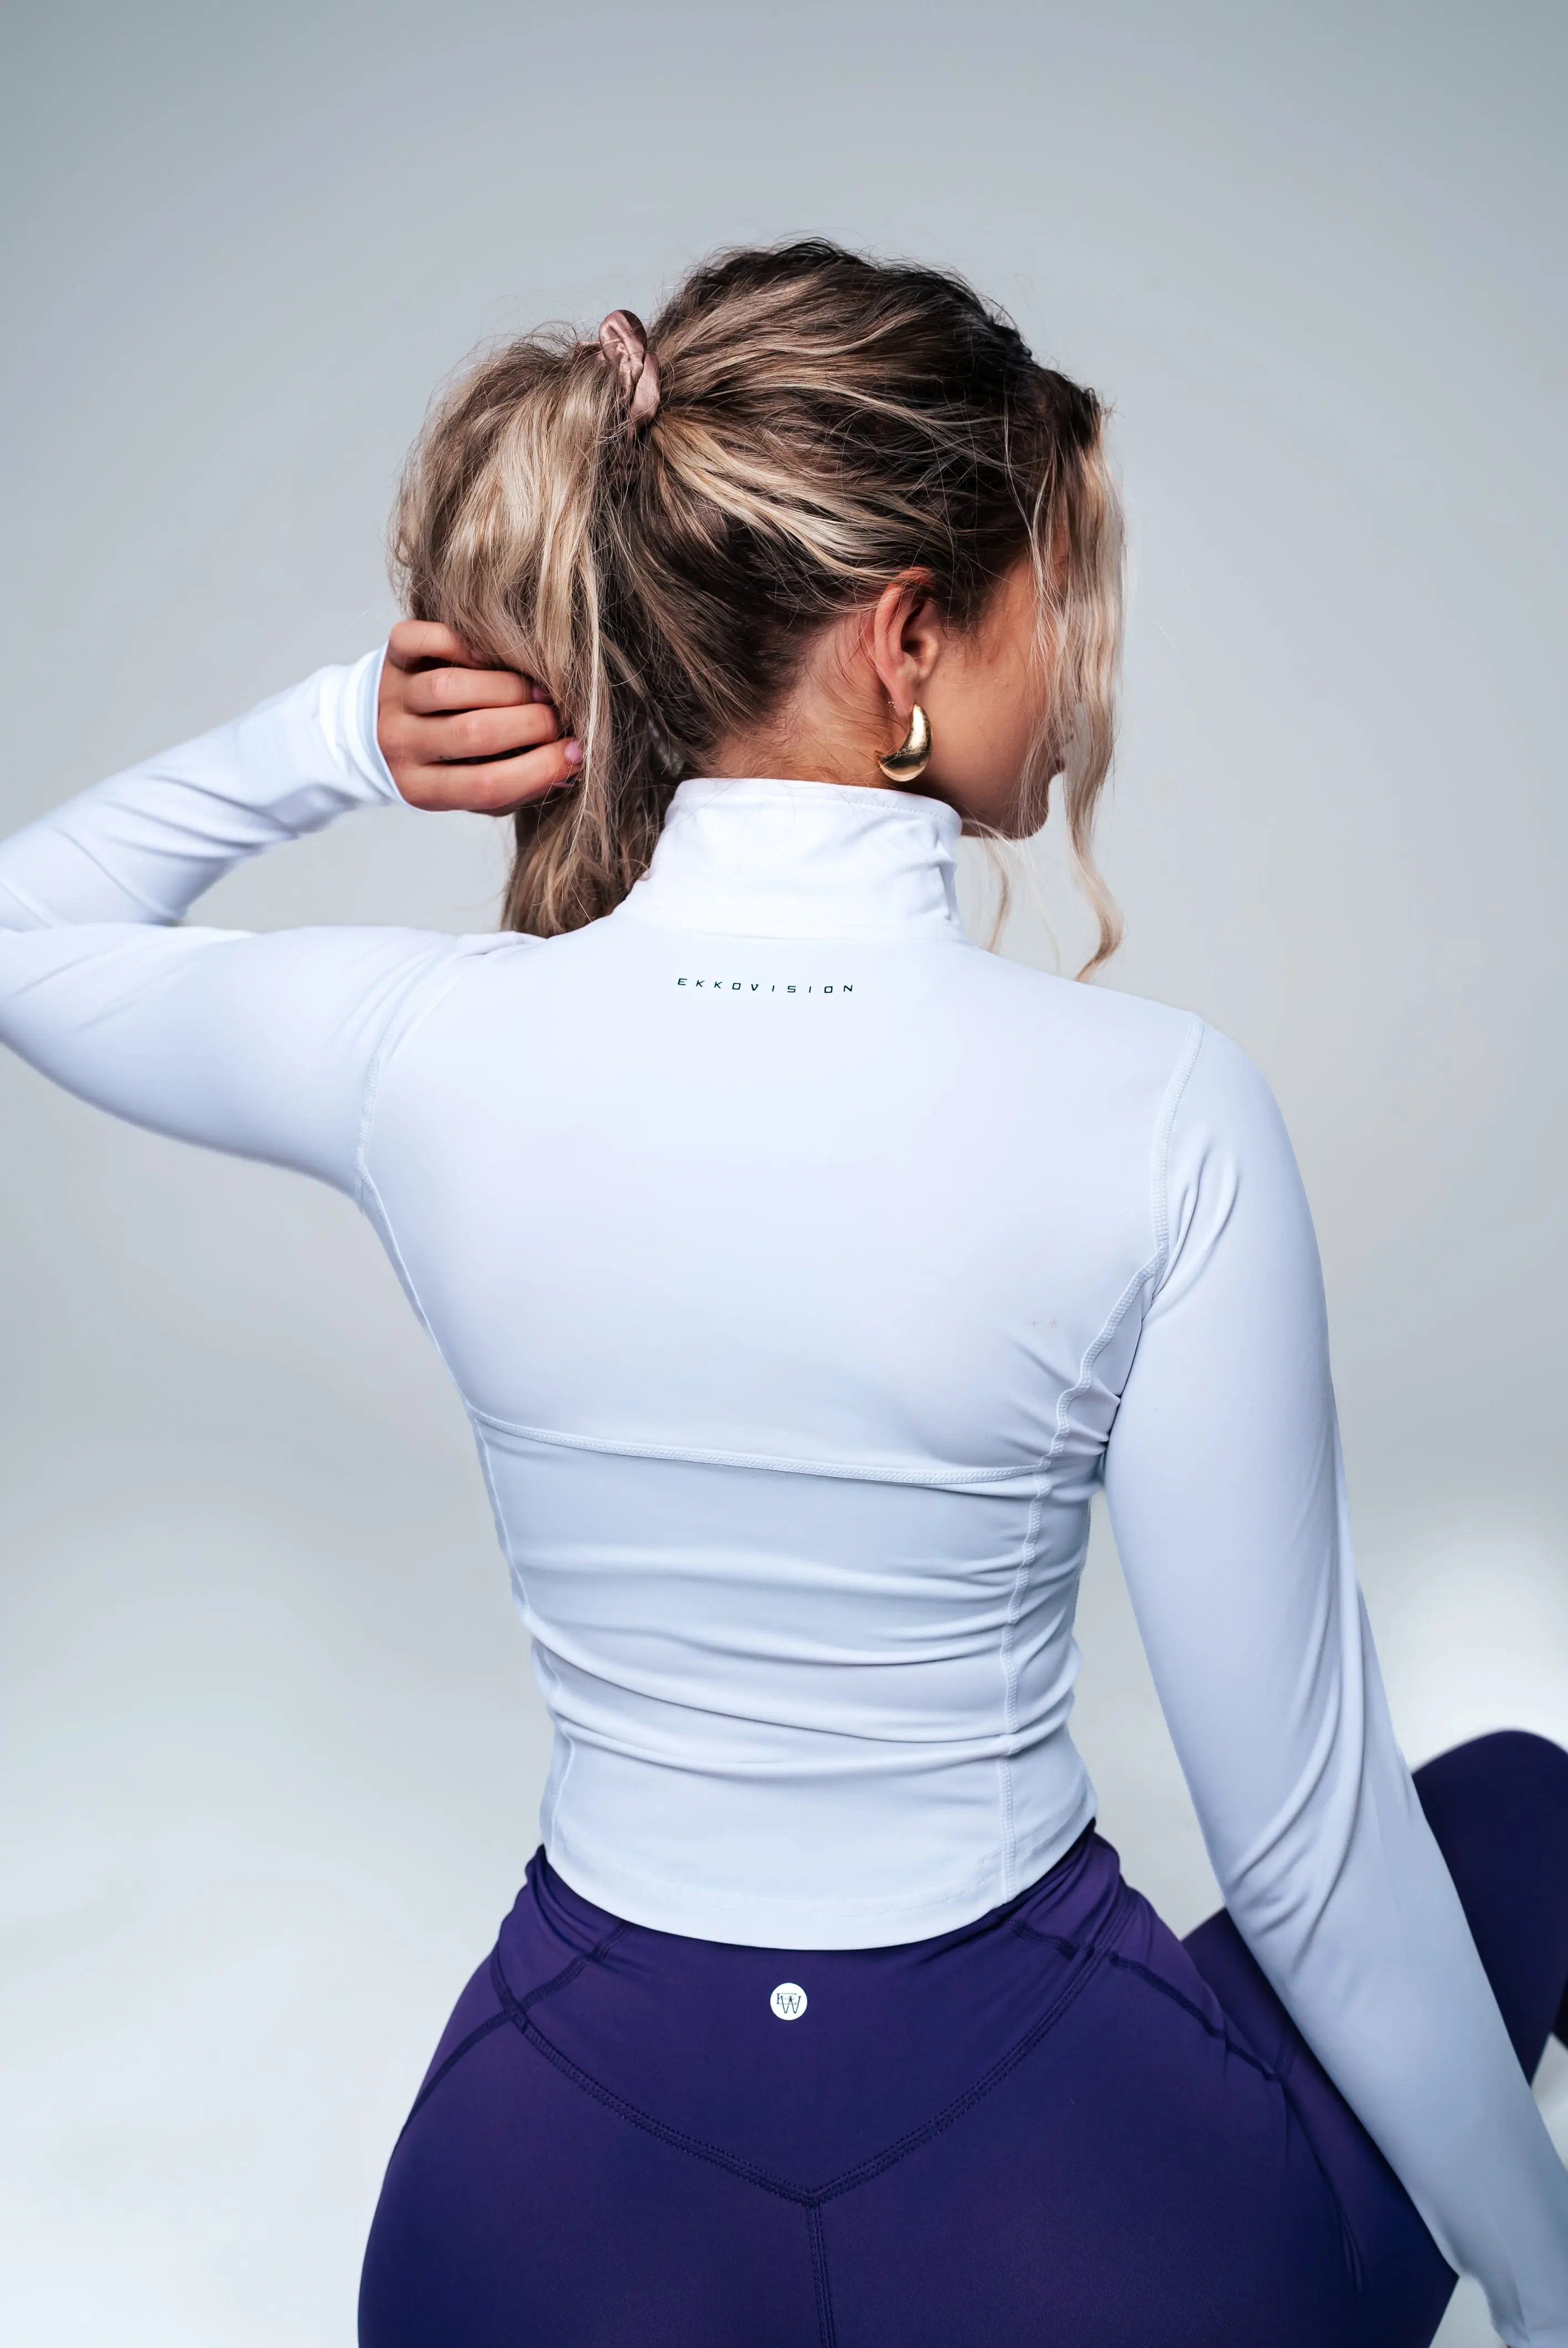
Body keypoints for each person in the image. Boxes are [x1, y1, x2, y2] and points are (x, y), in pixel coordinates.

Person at [1, 240, 1565, 2348]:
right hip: (1075, 2228)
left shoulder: (430, 1051)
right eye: (1056, 598)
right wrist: (1548, 2279)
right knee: (1524, 1817)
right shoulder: (1166, 1111)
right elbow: (1302, 1851)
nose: (1083, 670)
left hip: (539, 2226)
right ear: (908, 639)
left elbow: (28, 935)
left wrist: (346, 738)